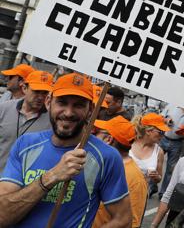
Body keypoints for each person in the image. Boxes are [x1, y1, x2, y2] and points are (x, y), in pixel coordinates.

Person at [0, 73, 131, 227]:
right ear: (49, 103)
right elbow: (2, 215)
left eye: (79, 105)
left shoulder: (107, 156)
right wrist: (52, 176)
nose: (68, 113)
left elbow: (123, 219)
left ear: (91, 110)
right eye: (62, 102)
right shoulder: (25, 144)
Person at [93, 116, 148, 228]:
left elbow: (132, 223)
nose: (93, 136)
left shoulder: (135, 178)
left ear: (108, 139)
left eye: (97, 133)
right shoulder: (98, 162)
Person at [0, 70, 53, 172]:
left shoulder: (52, 120)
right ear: (24, 88)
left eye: (45, 93)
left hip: (23, 184)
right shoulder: (4, 108)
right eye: (36, 91)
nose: (41, 97)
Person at [159, 105, 184, 198]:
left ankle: (163, 192)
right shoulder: (171, 105)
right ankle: (152, 187)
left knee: (170, 169)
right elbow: (160, 117)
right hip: (163, 139)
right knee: (155, 164)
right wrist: (166, 120)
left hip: (178, 143)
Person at [130, 113, 168, 197]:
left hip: (140, 195)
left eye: (164, 132)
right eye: (160, 132)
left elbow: (159, 179)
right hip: (120, 191)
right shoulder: (130, 142)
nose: (163, 135)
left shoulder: (159, 151)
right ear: (148, 131)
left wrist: (156, 176)